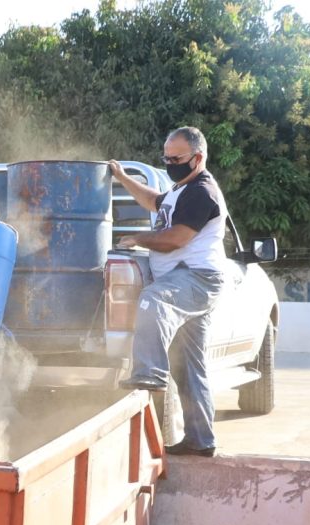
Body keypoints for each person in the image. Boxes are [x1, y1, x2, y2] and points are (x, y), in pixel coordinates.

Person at [109, 127, 227, 457]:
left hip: (196, 278)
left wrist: (139, 239)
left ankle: (149, 373)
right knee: (190, 368)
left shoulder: (202, 191)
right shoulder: (179, 189)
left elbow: (176, 238)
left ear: (198, 158)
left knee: (153, 299)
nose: (170, 163)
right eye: (166, 158)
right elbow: (152, 199)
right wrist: (122, 177)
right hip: (190, 279)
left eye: (177, 159)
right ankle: (201, 440)